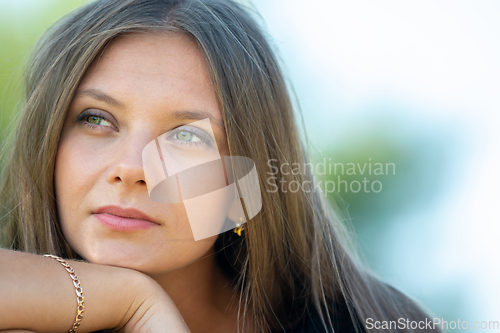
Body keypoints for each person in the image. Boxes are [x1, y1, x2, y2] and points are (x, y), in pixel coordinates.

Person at [0, 0, 440, 332]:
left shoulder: (372, 321)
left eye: (188, 136)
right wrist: (128, 298)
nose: (133, 168)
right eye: (96, 119)